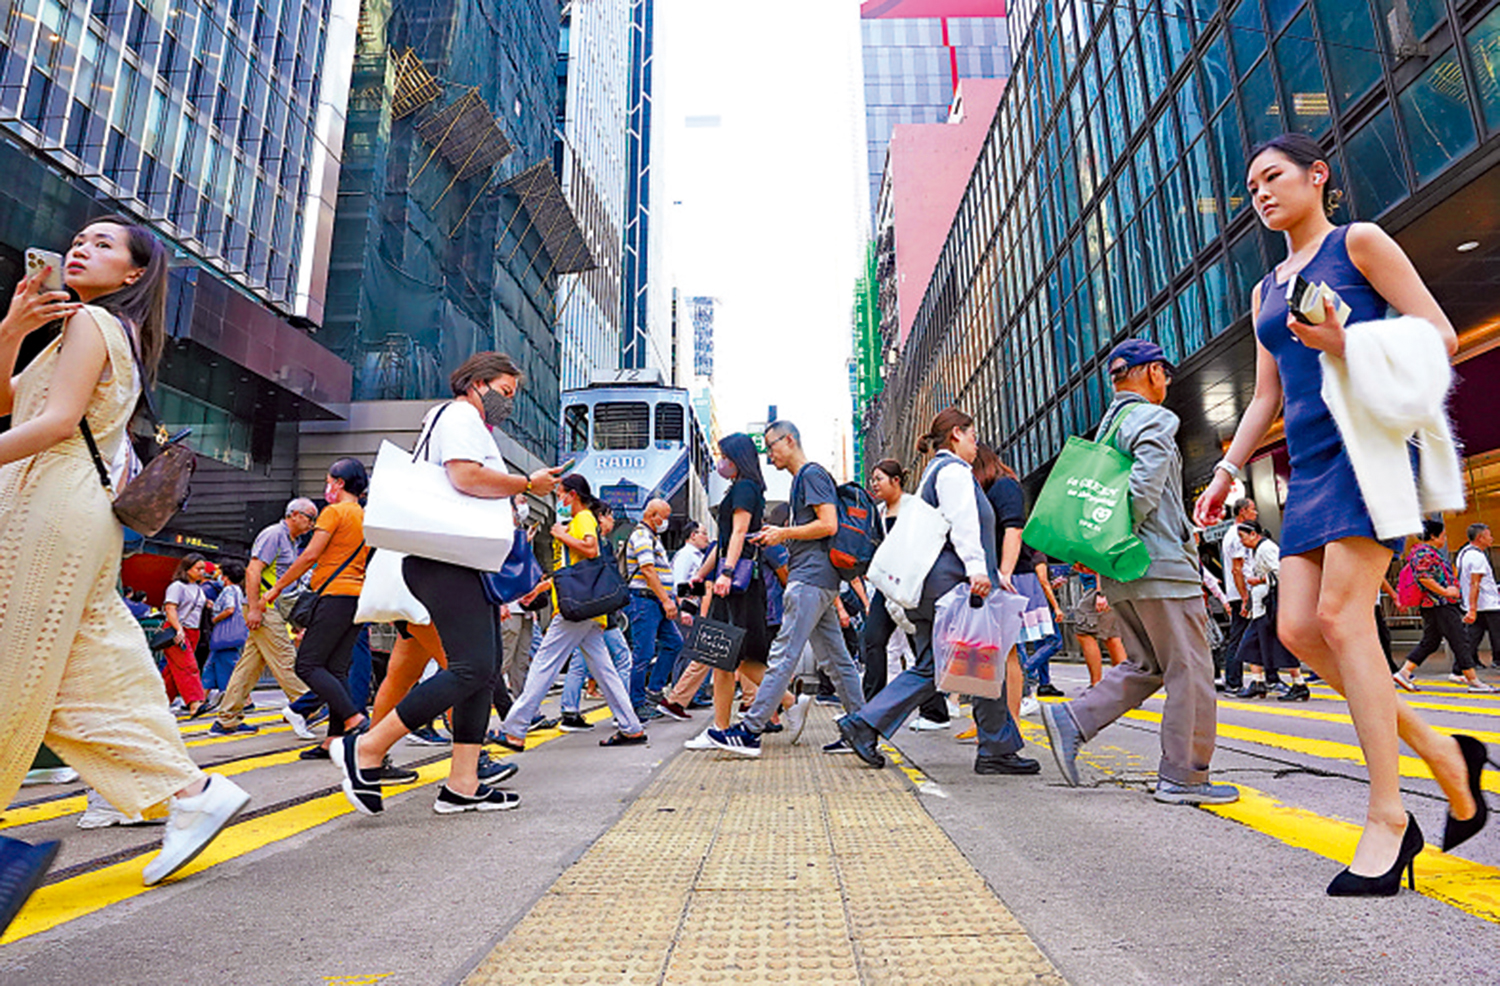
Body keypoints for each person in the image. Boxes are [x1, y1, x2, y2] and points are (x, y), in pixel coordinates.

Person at [1193, 133, 1487, 894]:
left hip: (1374, 447)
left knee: (1344, 618)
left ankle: (1390, 815)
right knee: (1295, 630)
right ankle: (1446, 756)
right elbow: (1266, 395)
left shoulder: (1359, 243)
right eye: (1250, 184)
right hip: (1313, 460)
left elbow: (1440, 338)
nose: (1260, 193)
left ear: (1316, 176)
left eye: (1273, 176)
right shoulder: (1266, 290)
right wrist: (1226, 472)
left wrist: (1345, 337)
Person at [0, 216, 250, 923]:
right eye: (79, 239)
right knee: (84, 667)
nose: (81, 248)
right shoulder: (100, 331)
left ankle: (188, 792)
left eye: (103, 245)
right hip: (63, 507)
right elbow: (8, 404)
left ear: (135, 274)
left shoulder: (93, 327)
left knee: (17, 661)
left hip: (51, 503)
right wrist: (13, 327)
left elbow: (52, 425)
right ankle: (191, 792)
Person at [333, 352, 560, 814]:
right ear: (477, 383)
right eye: (505, 392)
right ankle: (368, 748)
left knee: (481, 669)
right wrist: (525, 484)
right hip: (444, 560)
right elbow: (465, 475)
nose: (507, 403)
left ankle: (463, 783)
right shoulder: (459, 414)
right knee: (473, 667)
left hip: (460, 559)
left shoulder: (463, 421)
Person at [1044, 339, 1233, 806]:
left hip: (1122, 572)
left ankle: (1075, 719)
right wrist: (1118, 536)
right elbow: (1143, 491)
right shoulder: (1154, 418)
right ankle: (1185, 777)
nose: (1167, 383)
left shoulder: (1108, 427)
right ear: (1151, 372)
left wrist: (1099, 547)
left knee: (1148, 664)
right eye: (1164, 373)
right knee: (1190, 670)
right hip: (1160, 566)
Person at [836, 408, 1035, 775]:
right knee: (959, 663)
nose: (977, 445)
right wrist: (978, 570)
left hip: (934, 586)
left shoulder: (935, 471)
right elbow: (962, 523)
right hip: (952, 582)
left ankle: (996, 746)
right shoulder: (954, 472)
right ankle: (865, 724)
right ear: (957, 434)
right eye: (973, 436)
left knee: (974, 661)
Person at [708, 422, 865, 757]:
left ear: (789, 440)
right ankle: (862, 730)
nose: (768, 455)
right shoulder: (803, 479)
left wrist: (783, 534)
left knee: (782, 655)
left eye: (771, 446)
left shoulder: (810, 475)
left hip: (810, 578)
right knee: (837, 661)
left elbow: (828, 524)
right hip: (818, 579)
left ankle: (749, 732)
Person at [495, 474, 646, 751]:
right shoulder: (578, 520)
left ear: (573, 494)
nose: (559, 499)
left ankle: (514, 730)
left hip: (575, 608)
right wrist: (540, 589)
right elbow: (571, 570)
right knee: (605, 671)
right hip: (583, 607)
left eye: (562, 493)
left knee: (543, 663)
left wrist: (562, 534)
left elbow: (591, 551)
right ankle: (631, 727)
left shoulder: (583, 519)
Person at [263, 458, 372, 758]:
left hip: (334, 596)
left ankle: (355, 719)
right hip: (356, 598)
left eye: (329, 480)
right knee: (336, 670)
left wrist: (276, 587)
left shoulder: (334, 512)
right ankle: (333, 740)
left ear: (339, 483)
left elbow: (310, 555)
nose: (327, 486)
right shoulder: (365, 515)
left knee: (307, 665)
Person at [213, 500, 317, 736]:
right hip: (264, 606)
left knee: (249, 666)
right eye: (310, 517)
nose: (313, 523)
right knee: (285, 656)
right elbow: (253, 570)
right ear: (294, 514)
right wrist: (253, 608)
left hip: (268, 607)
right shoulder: (274, 535)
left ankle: (227, 719)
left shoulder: (292, 540)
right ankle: (308, 706)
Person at [973, 443, 1063, 713]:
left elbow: (1013, 529)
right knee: (1002, 652)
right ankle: (997, 718)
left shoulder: (1004, 486)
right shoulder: (992, 488)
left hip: (1011, 578)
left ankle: (1014, 715)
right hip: (1003, 577)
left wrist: (1004, 573)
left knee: (1011, 650)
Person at [558, 503, 638, 728]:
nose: (613, 523)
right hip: (600, 612)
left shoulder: (583, 538)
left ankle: (570, 711)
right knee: (622, 658)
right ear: (601, 518)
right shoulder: (597, 542)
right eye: (611, 517)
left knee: (577, 662)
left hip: (586, 609)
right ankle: (623, 712)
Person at [1394, 520, 1491, 692]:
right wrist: (1446, 591)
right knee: (1460, 639)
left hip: (1434, 605)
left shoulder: (1425, 552)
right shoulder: (1425, 553)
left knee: (1431, 641)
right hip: (1440, 604)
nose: (1445, 539)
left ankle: (1404, 672)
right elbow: (1424, 577)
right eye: (1443, 536)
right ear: (1432, 536)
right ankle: (1473, 680)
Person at [1232, 523, 1309, 701]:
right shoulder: (1260, 549)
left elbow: (1282, 573)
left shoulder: (1266, 549)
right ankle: (1258, 682)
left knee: (1278, 643)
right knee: (1251, 644)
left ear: (1253, 534)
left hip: (1270, 604)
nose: (1242, 542)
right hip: (1262, 605)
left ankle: (1299, 683)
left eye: (1243, 537)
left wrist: (1258, 580)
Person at [624, 498, 684, 716]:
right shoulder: (641, 535)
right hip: (644, 601)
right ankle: (637, 704)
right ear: (653, 515)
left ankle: (654, 691)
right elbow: (648, 571)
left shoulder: (652, 537)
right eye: (665, 517)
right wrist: (666, 600)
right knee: (643, 653)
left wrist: (669, 597)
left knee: (674, 643)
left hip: (655, 601)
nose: (666, 522)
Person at [161, 554, 211, 717]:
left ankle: (157, 704)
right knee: (189, 666)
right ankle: (195, 703)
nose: (202, 572)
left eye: (203, 568)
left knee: (173, 672)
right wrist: (178, 629)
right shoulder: (177, 586)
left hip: (193, 631)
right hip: (178, 631)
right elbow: (170, 608)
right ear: (187, 569)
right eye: (198, 568)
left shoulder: (197, 588)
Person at [1219, 499, 1259, 691]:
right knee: (1239, 636)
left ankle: (1254, 679)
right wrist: (1245, 597)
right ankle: (1233, 682)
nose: (1256, 513)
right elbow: (1237, 569)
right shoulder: (1237, 535)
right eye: (1252, 509)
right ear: (1242, 511)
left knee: (1247, 634)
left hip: (1241, 592)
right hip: (1241, 592)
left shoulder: (1235, 533)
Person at [1072, 565, 1127, 687]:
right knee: (1112, 637)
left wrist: (1101, 592)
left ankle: (1096, 685)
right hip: (1112, 588)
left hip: (1098, 589)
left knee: (1084, 633)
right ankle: (1126, 687)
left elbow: (1099, 562)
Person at [203, 561, 249, 700]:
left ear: (226, 577)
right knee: (210, 668)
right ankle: (199, 700)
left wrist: (214, 619)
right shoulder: (238, 590)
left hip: (225, 637)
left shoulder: (228, 590)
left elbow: (230, 609)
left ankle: (246, 700)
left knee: (230, 667)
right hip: (226, 638)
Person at [1458, 523, 1499, 673]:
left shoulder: (1464, 553)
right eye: (1489, 535)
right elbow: (1475, 583)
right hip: (1487, 604)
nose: (1492, 539)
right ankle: (1498, 661)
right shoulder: (1477, 557)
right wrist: (1473, 609)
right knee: (1497, 634)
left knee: (1472, 636)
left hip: (1476, 604)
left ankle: (1462, 664)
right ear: (1480, 538)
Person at [673, 522, 711, 597]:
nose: (707, 539)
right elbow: (679, 583)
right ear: (693, 535)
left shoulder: (698, 555)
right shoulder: (685, 554)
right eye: (704, 534)